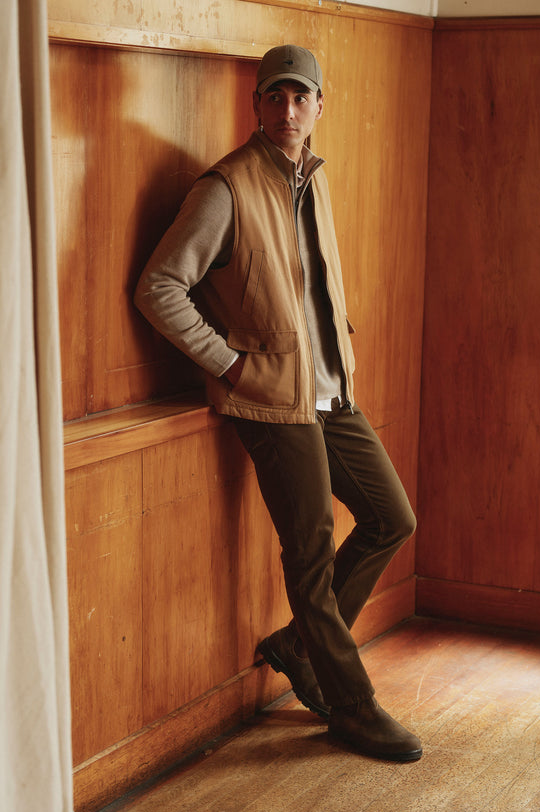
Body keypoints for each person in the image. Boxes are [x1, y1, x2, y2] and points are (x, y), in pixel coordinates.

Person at [134, 45, 422, 762]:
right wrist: (229, 363)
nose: (288, 111)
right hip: (270, 401)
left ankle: (301, 646)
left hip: (331, 393)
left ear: (320, 107)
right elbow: (160, 287)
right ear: (257, 105)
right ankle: (350, 705)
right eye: (275, 98)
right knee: (312, 554)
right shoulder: (224, 189)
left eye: (301, 98)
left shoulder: (312, 179)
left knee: (392, 517)